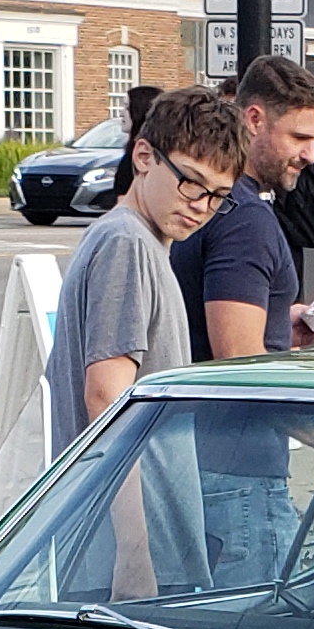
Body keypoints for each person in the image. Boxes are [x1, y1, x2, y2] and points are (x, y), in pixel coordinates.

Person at [47, 87, 240, 598]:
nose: (201, 206)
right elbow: (108, 399)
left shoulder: (140, 242)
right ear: (144, 157)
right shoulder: (127, 244)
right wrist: (134, 552)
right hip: (126, 557)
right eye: (191, 183)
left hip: (146, 545)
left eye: (218, 195)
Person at [171, 56, 314, 586]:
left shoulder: (209, 206)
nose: (309, 155)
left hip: (201, 460)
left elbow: (211, 322)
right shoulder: (245, 221)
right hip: (238, 474)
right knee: (256, 624)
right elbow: (238, 362)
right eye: (299, 137)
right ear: (255, 120)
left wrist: (284, 322)